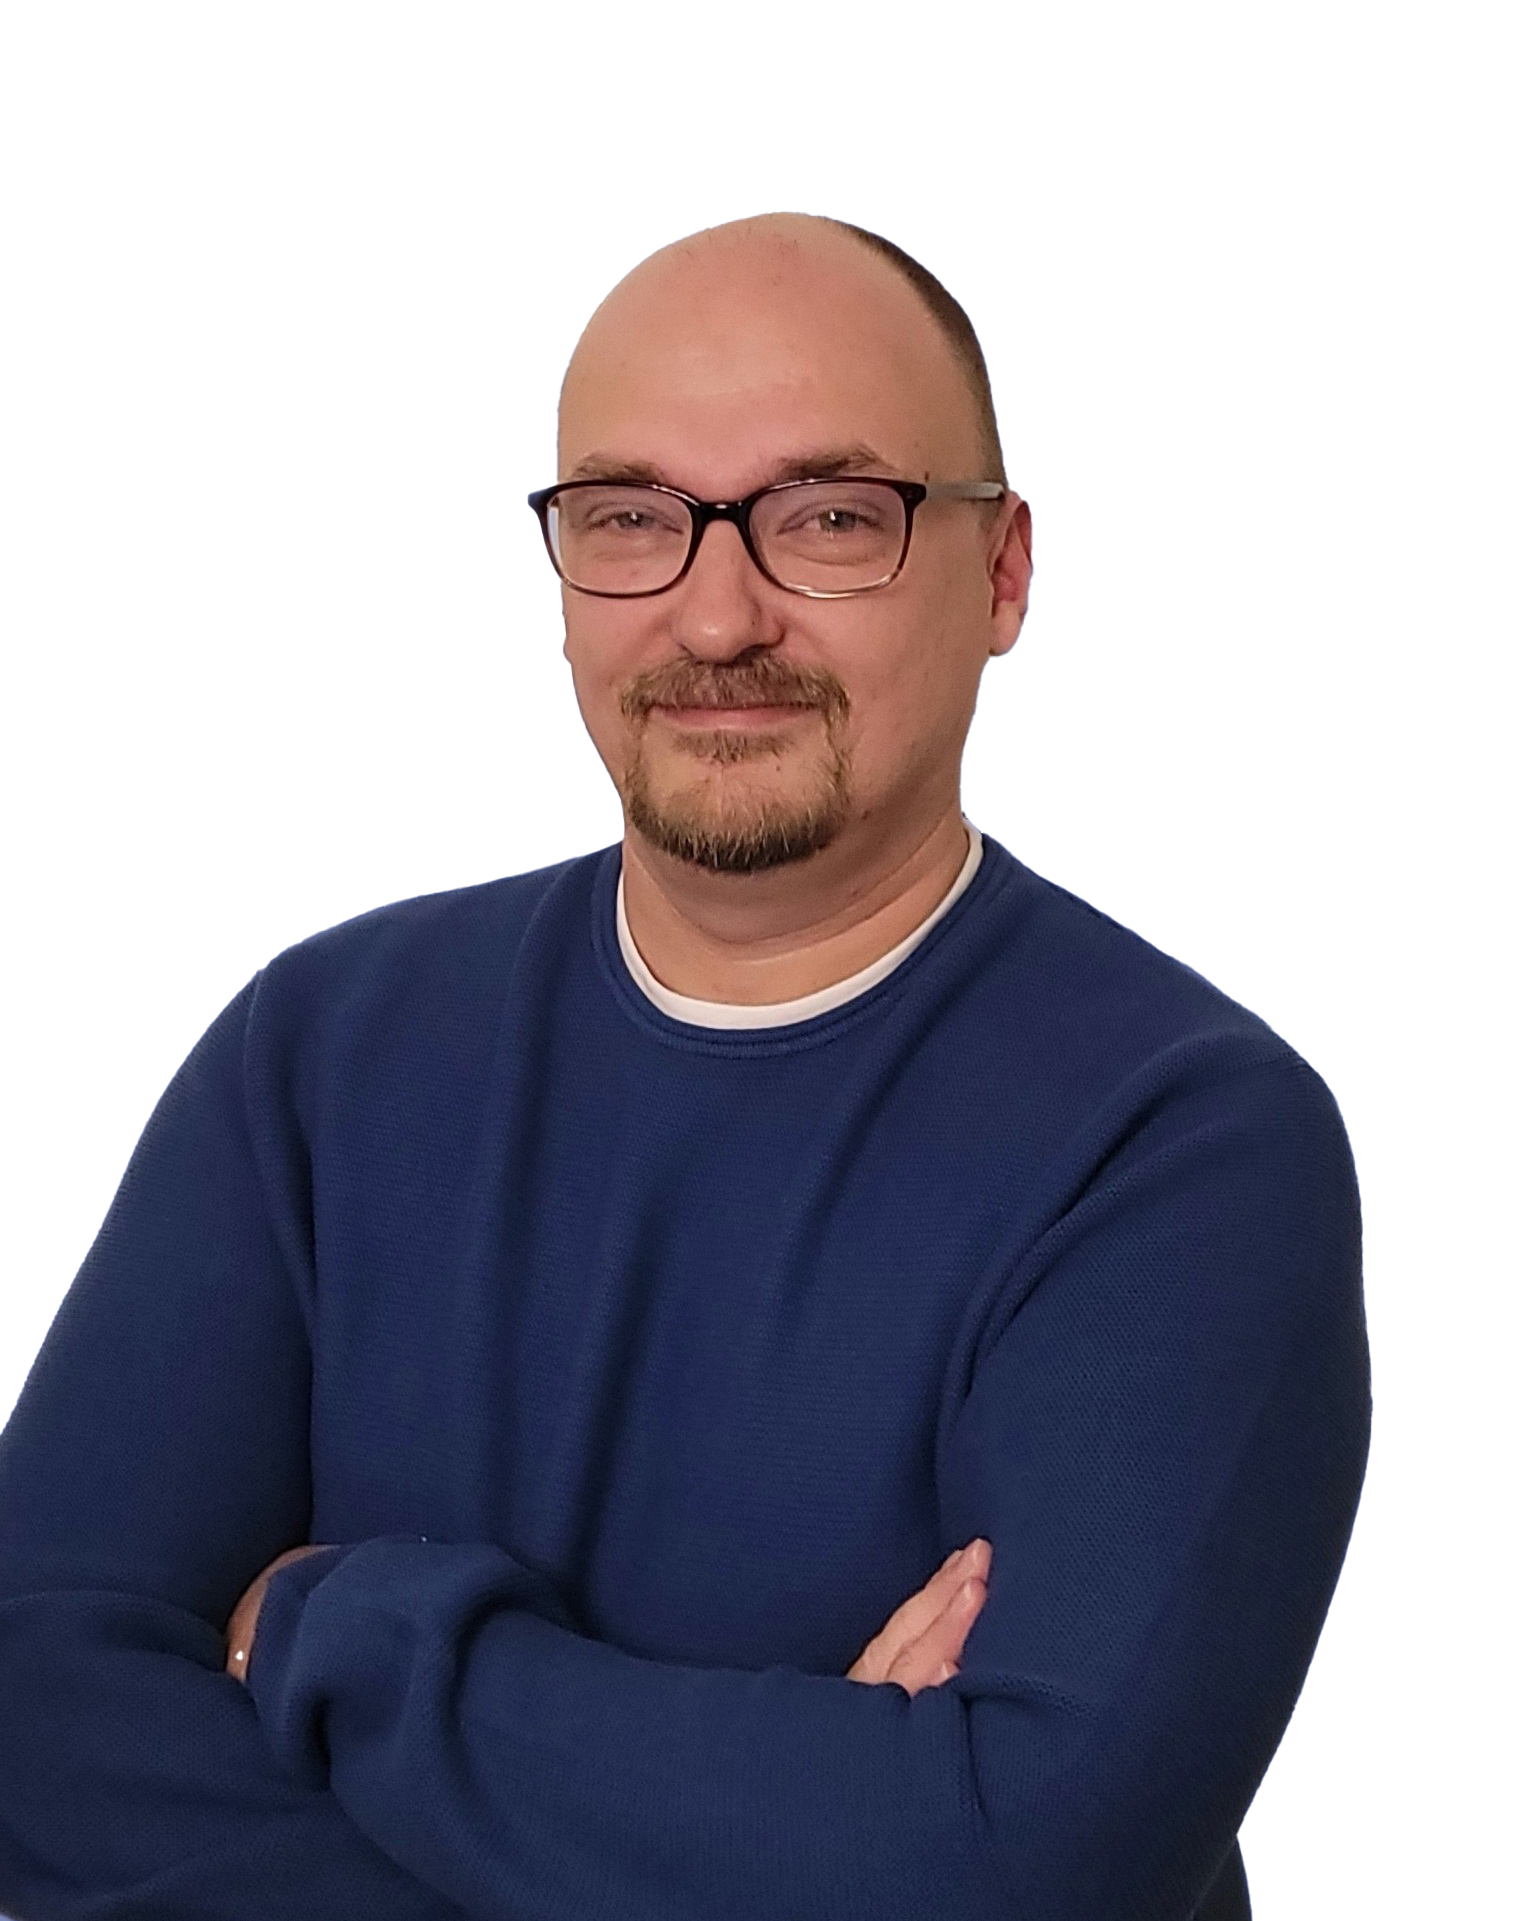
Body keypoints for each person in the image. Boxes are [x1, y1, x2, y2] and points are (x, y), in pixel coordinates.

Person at [0, 213, 1369, 1921]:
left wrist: (333, 1632)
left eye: (830, 517)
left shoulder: (1183, 1141)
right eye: (632, 518)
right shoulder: (325, 1058)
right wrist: (791, 1817)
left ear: (1003, 575)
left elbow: (1018, 1869)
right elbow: (33, 1703)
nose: (717, 617)